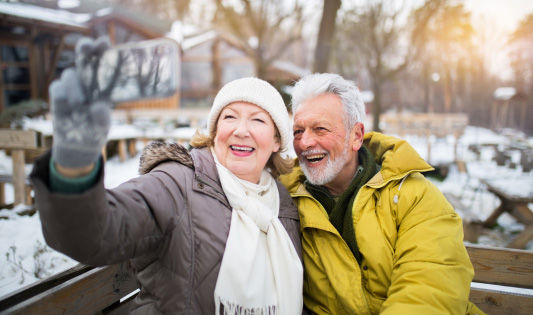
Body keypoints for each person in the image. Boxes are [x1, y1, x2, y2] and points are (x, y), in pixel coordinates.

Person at [30, 37, 303, 314]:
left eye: (257, 119)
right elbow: (96, 234)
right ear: (214, 130)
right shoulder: (177, 183)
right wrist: (73, 165)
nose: (241, 130)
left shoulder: (282, 202)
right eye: (230, 117)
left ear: (277, 140)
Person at [280, 73, 484, 314]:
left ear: (356, 136)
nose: (305, 142)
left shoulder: (414, 197)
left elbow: (428, 292)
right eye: (297, 131)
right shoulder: (284, 200)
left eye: (320, 129)